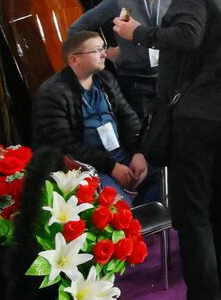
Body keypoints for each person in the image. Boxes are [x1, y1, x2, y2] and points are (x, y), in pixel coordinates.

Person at [113, 0, 221, 300]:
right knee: (216, 206)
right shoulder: (218, 0)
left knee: (192, 215)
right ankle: (217, 299)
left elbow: (184, 36)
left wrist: (138, 34)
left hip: (196, 119)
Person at [32, 31, 147, 195]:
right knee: (115, 205)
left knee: (170, 177)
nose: (104, 54)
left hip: (122, 157)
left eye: (103, 48)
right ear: (74, 59)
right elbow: (65, 146)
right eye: (97, 50)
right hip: (88, 168)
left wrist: (138, 152)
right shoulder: (51, 93)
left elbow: (128, 118)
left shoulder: (106, 79)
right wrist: (111, 166)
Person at [70, 0, 171, 118]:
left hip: (169, 79)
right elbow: (78, 28)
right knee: (141, 134)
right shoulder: (120, 1)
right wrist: (101, 51)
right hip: (135, 82)